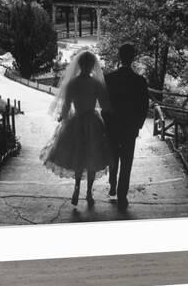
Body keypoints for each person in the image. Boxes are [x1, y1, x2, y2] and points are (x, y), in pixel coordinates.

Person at [40, 50, 112, 206]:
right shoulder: (96, 84)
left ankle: (77, 187)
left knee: (79, 155)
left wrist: (63, 119)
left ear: (79, 65)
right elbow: (105, 106)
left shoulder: (72, 83)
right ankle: (88, 193)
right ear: (93, 66)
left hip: (76, 121)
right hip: (93, 122)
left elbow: (65, 108)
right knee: (92, 156)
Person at [103, 44, 149, 210]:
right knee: (127, 161)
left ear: (119, 56)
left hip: (113, 126)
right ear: (133, 58)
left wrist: (106, 122)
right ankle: (122, 195)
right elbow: (144, 106)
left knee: (113, 157)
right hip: (130, 128)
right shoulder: (140, 81)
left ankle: (113, 183)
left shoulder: (108, 78)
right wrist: (138, 125)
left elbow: (105, 104)